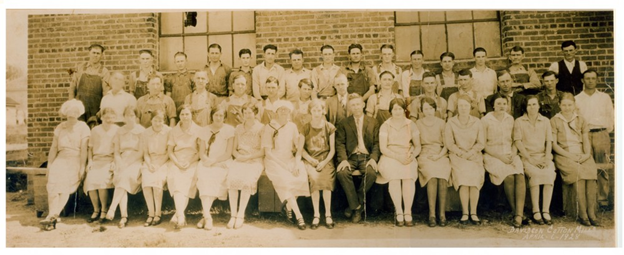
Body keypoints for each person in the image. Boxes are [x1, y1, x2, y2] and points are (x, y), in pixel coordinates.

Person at [39, 99, 90, 231]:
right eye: (69, 111)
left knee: (64, 186)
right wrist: (50, 165)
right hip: (61, 158)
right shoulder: (60, 127)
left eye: (74, 111)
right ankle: (53, 215)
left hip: (75, 158)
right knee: (53, 184)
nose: (71, 114)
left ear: (79, 113)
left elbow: (84, 149)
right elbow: (54, 148)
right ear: (65, 112)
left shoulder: (83, 127)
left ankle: (53, 216)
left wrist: (82, 166)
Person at [551, 93, 600, 226]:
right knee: (578, 173)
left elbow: (585, 140)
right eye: (564, 105)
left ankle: (592, 213)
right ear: (559, 105)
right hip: (564, 154)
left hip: (581, 153)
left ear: (574, 105)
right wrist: (570, 156)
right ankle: (582, 214)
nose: (567, 108)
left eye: (569, 105)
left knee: (590, 172)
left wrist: (586, 154)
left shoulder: (580, 119)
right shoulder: (555, 120)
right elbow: (554, 145)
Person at [261, 100, 310, 230]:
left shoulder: (292, 126)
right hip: (274, 161)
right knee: (285, 181)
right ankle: (299, 216)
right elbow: (268, 153)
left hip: (289, 159)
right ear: (276, 111)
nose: (284, 112)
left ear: (289, 112)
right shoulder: (269, 127)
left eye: (286, 109)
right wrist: (284, 166)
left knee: (301, 176)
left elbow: (298, 147)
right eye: (281, 109)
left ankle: (288, 207)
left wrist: (296, 163)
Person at [482, 94, 526, 228]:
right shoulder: (486, 120)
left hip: (510, 153)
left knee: (519, 175)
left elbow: (514, 140)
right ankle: (516, 212)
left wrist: (513, 154)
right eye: (499, 103)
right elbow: (483, 145)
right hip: (493, 155)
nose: (501, 106)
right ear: (493, 105)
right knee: (509, 176)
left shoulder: (511, 119)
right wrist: (500, 157)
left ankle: (519, 214)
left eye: (504, 103)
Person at [335, 93, 380, 223]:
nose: (356, 107)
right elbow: (340, 143)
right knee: (342, 173)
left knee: (371, 173)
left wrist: (373, 158)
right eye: (353, 105)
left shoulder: (373, 122)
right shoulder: (344, 123)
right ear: (349, 107)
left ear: (363, 104)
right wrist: (343, 160)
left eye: (358, 104)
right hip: (351, 157)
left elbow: (377, 143)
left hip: (367, 156)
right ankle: (358, 207)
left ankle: (353, 206)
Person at [376, 98, 420, 227]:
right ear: (391, 111)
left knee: (408, 178)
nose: (397, 112)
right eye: (394, 109)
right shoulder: (385, 125)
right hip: (390, 156)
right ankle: (399, 211)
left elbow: (417, 146)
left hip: (407, 155)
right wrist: (397, 156)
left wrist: (411, 156)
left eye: (400, 109)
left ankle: (407, 211)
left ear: (404, 110)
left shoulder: (411, 124)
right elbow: (383, 148)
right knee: (395, 177)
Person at [514, 95, 556, 225]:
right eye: (529, 105)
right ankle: (536, 211)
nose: (532, 107)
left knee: (549, 174)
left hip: (543, 156)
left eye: (534, 104)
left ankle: (545, 211)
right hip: (528, 157)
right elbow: (518, 142)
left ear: (539, 106)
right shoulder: (519, 122)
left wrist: (547, 157)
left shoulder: (545, 121)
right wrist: (530, 159)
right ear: (525, 107)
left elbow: (549, 140)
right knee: (536, 175)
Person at [574, 70, 614, 208]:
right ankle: (589, 200)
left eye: (593, 78)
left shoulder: (604, 97)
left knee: (602, 165)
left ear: (597, 80)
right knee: (586, 167)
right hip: (584, 134)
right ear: (582, 80)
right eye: (587, 78)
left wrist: (604, 132)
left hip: (601, 133)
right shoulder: (577, 99)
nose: (590, 81)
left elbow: (611, 116)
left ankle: (603, 199)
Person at [445, 94, 486, 225]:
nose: (463, 108)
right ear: (457, 107)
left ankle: (473, 212)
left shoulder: (477, 122)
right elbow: (449, 143)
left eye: (466, 105)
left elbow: (481, 142)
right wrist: (461, 153)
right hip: (457, 156)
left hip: (474, 155)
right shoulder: (451, 122)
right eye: (461, 106)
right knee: (463, 178)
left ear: (470, 107)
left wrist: (472, 152)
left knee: (474, 177)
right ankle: (465, 212)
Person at [105, 106, 145, 228]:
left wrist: (126, 164)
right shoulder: (120, 131)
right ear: (124, 117)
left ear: (136, 118)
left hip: (136, 160)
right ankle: (123, 217)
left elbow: (140, 152)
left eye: (132, 115)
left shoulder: (141, 131)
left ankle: (113, 208)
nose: (130, 118)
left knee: (124, 177)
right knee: (122, 178)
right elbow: (116, 151)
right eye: (127, 115)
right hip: (121, 159)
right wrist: (120, 162)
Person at [227, 102, 265, 229]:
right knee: (232, 179)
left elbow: (263, 151)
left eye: (250, 112)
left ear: (255, 113)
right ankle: (233, 215)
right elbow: (233, 150)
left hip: (255, 160)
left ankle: (241, 214)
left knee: (246, 181)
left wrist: (248, 157)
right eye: (245, 113)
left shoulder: (261, 128)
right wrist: (239, 157)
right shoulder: (238, 128)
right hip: (240, 159)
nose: (247, 115)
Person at [196, 106, 235, 230]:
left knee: (214, 178)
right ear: (212, 116)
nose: (218, 118)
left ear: (224, 117)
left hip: (222, 161)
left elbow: (228, 153)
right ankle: (208, 217)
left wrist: (215, 162)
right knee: (203, 179)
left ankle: (205, 216)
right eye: (216, 115)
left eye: (221, 115)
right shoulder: (204, 130)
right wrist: (207, 161)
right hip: (206, 161)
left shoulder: (229, 130)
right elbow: (201, 152)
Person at [416, 97, 451, 227]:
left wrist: (439, 155)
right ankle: (432, 214)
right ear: (422, 110)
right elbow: (417, 144)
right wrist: (426, 154)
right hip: (425, 154)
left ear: (435, 109)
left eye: (431, 108)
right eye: (426, 108)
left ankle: (442, 214)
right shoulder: (418, 124)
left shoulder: (442, 123)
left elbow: (447, 145)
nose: (429, 111)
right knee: (431, 175)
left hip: (440, 154)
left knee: (442, 175)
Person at [301, 99, 336, 229]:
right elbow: (301, 149)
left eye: (319, 110)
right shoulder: (305, 127)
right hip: (311, 160)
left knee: (326, 180)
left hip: (326, 160)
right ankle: (316, 214)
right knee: (314, 179)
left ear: (323, 111)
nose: (317, 113)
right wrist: (311, 160)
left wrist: (324, 162)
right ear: (310, 111)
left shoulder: (329, 127)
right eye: (314, 110)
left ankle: (328, 214)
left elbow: (332, 149)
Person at [166, 105, 201, 229]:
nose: (185, 117)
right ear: (179, 116)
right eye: (182, 114)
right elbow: (170, 151)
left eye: (187, 114)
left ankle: (178, 214)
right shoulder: (173, 131)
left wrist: (189, 162)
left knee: (187, 181)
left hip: (192, 161)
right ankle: (181, 215)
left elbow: (199, 152)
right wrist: (177, 163)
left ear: (192, 115)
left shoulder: (198, 130)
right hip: (176, 160)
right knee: (176, 180)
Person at [83, 107, 119, 223]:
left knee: (102, 182)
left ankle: (104, 209)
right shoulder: (95, 130)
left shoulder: (117, 130)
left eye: (112, 118)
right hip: (96, 160)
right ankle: (96, 209)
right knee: (90, 181)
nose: (109, 120)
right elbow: (90, 148)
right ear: (102, 117)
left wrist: (114, 161)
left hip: (109, 160)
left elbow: (118, 149)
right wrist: (90, 162)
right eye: (107, 117)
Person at [140, 109, 171, 227]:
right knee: (147, 183)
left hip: (164, 161)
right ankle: (151, 213)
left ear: (164, 121)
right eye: (155, 120)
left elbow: (169, 152)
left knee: (157, 182)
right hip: (150, 161)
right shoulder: (146, 133)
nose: (158, 123)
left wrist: (159, 164)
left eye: (160, 121)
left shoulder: (169, 131)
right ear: (151, 120)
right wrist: (149, 164)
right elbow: (146, 153)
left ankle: (158, 214)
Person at [68, 44, 110, 125]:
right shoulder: (80, 68)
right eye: (93, 53)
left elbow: (106, 94)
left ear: (101, 55)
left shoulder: (104, 72)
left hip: (95, 110)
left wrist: (101, 111)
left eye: (98, 53)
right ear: (89, 53)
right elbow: (72, 88)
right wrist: (71, 106)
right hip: (79, 109)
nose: (95, 55)